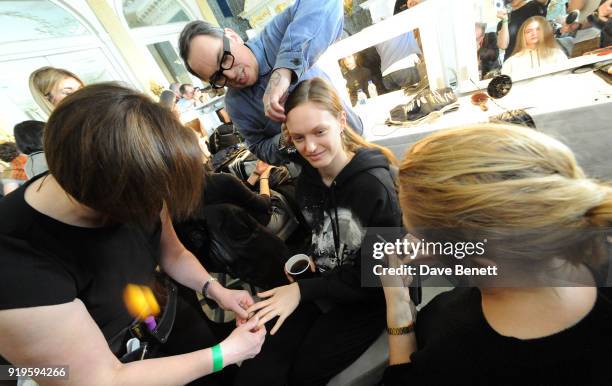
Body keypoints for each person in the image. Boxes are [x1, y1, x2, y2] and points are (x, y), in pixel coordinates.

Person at [0, 83, 265, 386]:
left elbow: (172, 252)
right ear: (110, 199)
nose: (155, 209)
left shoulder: (134, 180)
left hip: (165, 318)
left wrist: (216, 290)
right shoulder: (14, 259)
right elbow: (98, 379)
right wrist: (223, 354)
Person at [381, 124, 612, 384]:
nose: (412, 240)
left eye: (416, 233)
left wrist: (398, 309)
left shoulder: (456, 351)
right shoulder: (591, 248)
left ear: (479, 259)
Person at [236, 77, 402, 385]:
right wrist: (313, 256)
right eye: (298, 138)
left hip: (372, 298)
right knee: (261, 361)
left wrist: (303, 291)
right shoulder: (309, 180)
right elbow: (323, 232)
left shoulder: (375, 188)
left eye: (319, 132)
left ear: (341, 121)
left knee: (302, 374)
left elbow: (380, 277)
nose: (309, 147)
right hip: (326, 284)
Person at [178, 0, 364, 165]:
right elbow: (258, 147)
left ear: (232, 36)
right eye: (218, 77)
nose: (232, 75)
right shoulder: (236, 105)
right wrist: (283, 140)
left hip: (356, 147)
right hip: (316, 175)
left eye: (225, 58)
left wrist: (284, 72)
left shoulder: (276, 35)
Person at [502, 16, 568, 77]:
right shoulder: (511, 62)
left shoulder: (557, 54)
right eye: (528, 31)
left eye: (538, 29)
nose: (534, 33)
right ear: (522, 36)